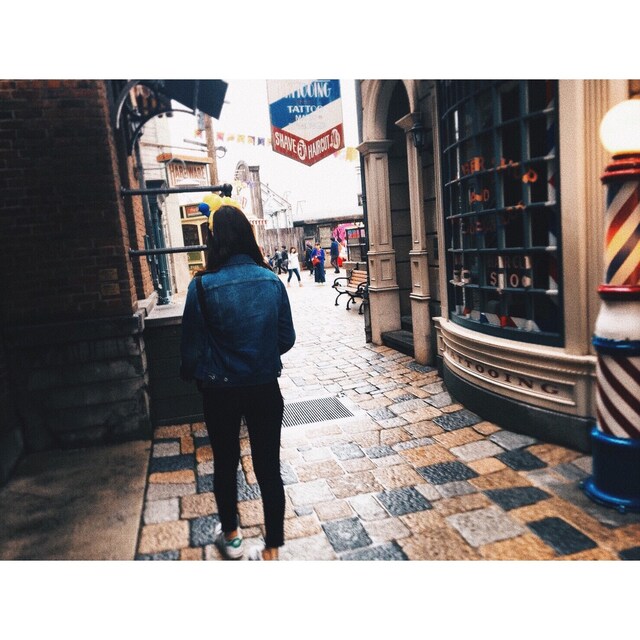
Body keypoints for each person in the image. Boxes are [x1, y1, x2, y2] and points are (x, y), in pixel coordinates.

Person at [180, 194, 296, 561]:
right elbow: (286, 338)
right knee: (268, 467)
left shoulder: (201, 286)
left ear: (214, 241)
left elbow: (191, 348)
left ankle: (231, 537)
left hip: (220, 392)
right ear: (248, 235)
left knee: (225, 464)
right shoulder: (271, 281)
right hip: (264, 388)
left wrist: (197, 372)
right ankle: (272, 548)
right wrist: (259, 355)